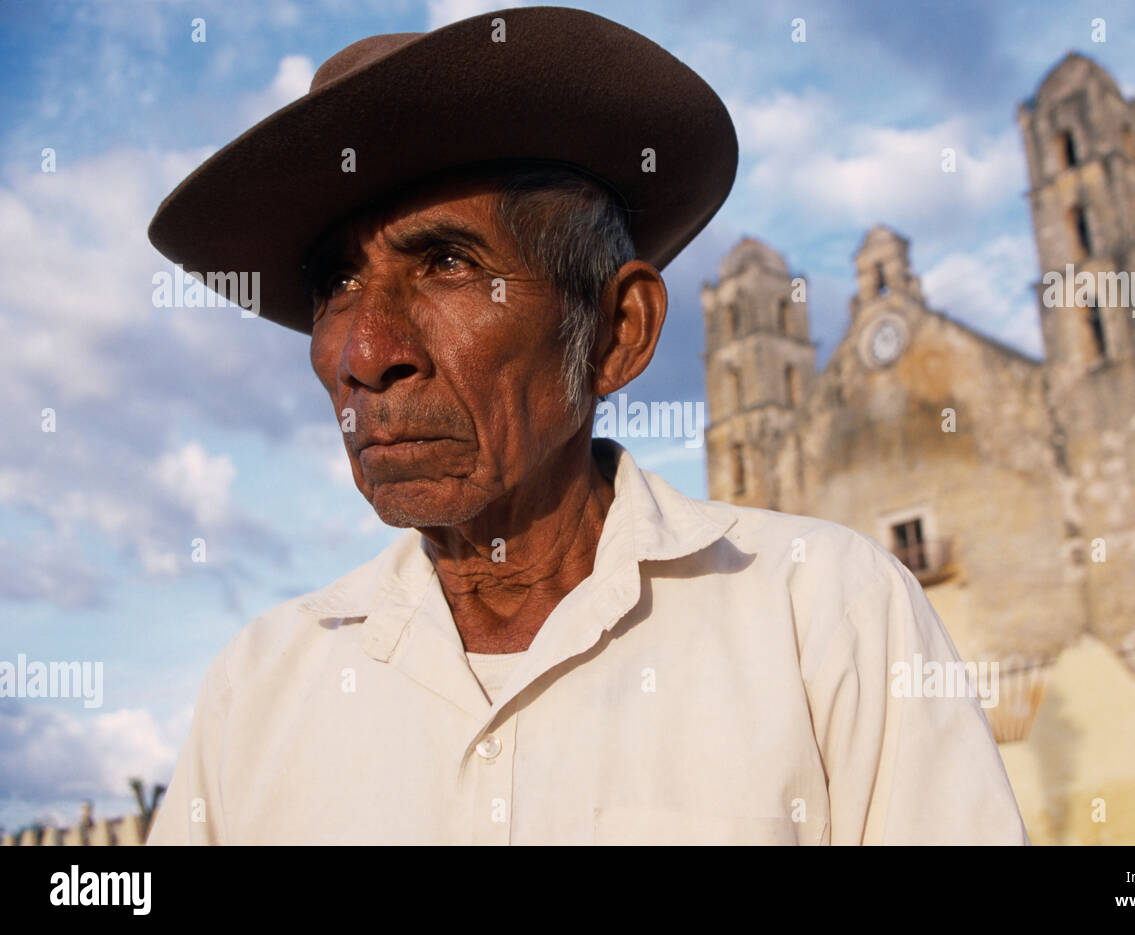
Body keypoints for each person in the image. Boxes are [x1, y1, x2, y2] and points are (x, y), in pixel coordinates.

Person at [145, 7, 1028, 845]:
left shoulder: (827, 614)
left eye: (449, 263)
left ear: (616, 332)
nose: (366, 351)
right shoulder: (256, 692)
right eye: (337, 285)